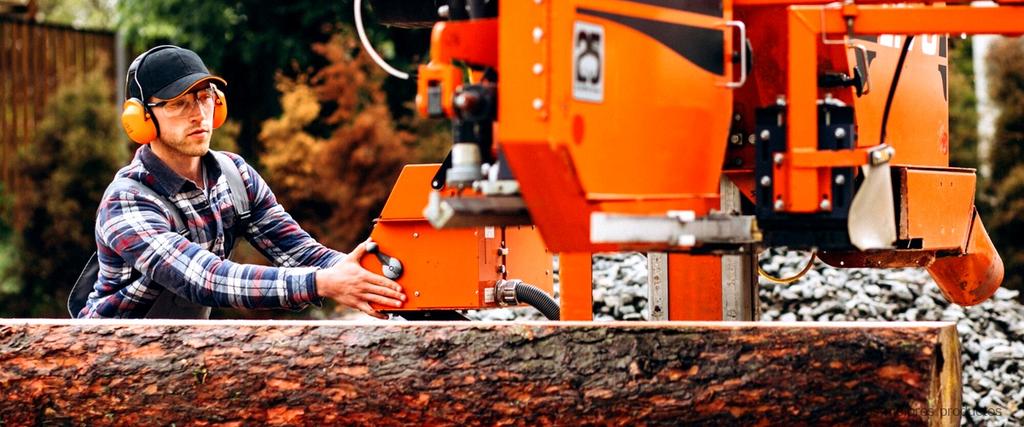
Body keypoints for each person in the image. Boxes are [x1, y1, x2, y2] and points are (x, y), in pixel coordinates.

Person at [78, 45, 405, 319]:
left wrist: (364, 273)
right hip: (108, 364)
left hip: (176, 357)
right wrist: (323, 283)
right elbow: (206, 279)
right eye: (179, 104)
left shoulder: (234, 175)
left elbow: (300, 253)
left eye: (205, 98)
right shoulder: (127, 200)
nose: (198, 114)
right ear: (141, 120)